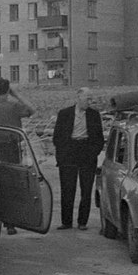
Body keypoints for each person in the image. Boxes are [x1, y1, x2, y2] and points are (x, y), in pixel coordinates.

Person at [0, 78, 35, 235]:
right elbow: (31, 110)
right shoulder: (14, 105)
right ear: (8, 90)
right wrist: (16, 94)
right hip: (11, 147)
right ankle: (10, 223)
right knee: (11, 183)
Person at [52, 87, 105, 231]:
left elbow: (99, 138)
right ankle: (66, 222)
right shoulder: (64, 114)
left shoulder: (94, 115)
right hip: (69, 153)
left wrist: (93, 153)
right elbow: (57, 137)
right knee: (67, 189)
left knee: (86, 189)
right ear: (79, 98)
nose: (90, 101)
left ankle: (82, 222)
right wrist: (62, 154)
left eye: (91, 99)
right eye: (87, 98)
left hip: (87, 152)